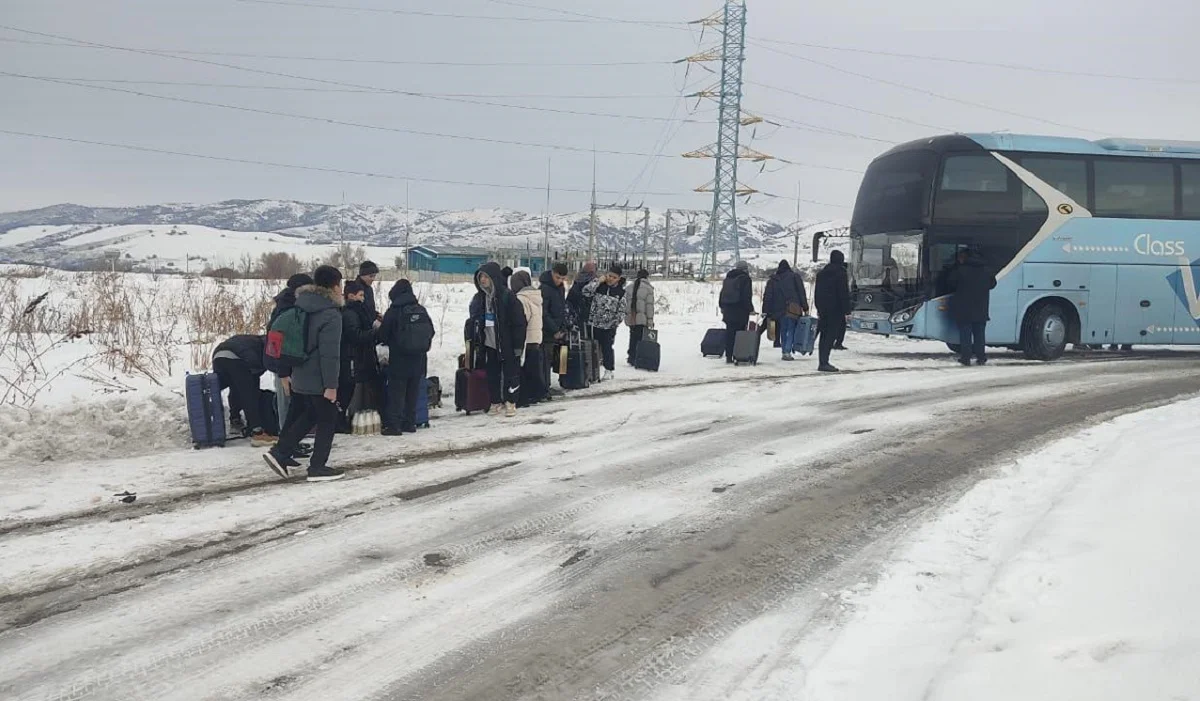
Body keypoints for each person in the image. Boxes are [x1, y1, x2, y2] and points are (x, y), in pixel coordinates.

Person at [264, 265, 346, 482]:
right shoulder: (331, 314)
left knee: (309, 415)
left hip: (299, 372)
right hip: (319, 377)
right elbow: (330, 354)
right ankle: (317, 467)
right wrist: (331, 385)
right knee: (328, 418)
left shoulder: (302, 305)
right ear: (336, 285)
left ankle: (280, 452)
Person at [469, 262, 527, 418]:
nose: (482, 280)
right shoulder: (480, 298)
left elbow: (519, 323)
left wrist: (518, 346)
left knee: (511, 374)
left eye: (485, 277)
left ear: (493, 278)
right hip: (489, 343)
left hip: (506, 343)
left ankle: (511, 402)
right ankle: (495, 402)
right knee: (492, 374)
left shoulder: (507, 297)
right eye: (480, 277)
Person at [379, 279, 435, 434]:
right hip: (419, 359)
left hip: (399, 358)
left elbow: (383, 334)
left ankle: (394, 426)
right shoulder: (420, 309)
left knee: (397, 392)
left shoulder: (394, 311)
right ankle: (410, 424)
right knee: (412, 392)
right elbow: (431, 331)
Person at [267, 273, 313, 426]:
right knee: (285, 399)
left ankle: (289, 435)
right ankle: (285, 437)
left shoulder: (288, 304)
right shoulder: (287, 309)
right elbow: (277, 340)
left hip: (286, 359)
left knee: (287, 398)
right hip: (282, 361)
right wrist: (283, 370)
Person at [212, 334, 275, 446]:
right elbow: (255, 376)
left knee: (235, 386)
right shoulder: (267, 346)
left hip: (218, 356)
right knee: (249, 394)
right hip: (236, 359)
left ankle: (235, 419)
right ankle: (258, 433)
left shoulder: (253, 340)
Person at [337, 280, 382, 431]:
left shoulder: (359, 311)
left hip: (360, 356)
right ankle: (339, 421)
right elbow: (355, 335)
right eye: (361, 295)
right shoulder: (350, 313)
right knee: (346, 391)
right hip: (352, 357)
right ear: (351, 296)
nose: (363, 298)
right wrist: (375, 332)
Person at [946, 249, 997, 366]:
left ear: (964, 258)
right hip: (981, 308)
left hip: (964, 308)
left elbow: (951, 283)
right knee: (979, 334)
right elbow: (992, 284)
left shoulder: (960, 270)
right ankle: (981, 357)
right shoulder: (986, 270)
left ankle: (966, 358)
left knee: (966, 335)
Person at [583, 264, 627, 380]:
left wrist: (615, 322)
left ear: (618, 278)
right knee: (593, 347)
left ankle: (609, 370)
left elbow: (622, 310)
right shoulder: (599, 286)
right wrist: (598, 281)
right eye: (609, 276)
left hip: (609, 326)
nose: (611, 279)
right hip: (594, 323)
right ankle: (592, 369)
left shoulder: (621, 292)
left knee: (607, 347)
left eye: (614, 277)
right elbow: (586, 292)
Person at [511, 270, 545, 407]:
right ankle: (537, 394)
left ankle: (525, 397)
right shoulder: (535, 296)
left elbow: (522, 320)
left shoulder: (521, 299)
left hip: (527, 339)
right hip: (536, 338)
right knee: (534, 369)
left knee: (524, 370)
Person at [814, 250, 851, 373]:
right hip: (836, 310)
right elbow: (843, 293)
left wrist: (819, 307)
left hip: (823, 310)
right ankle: (824, 362)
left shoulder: (821, 274)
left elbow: (817, 293)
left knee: (823, 335)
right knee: (830, 336)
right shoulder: (841, 273)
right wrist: (847, 310)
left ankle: (822, 360)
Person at [539, 263, 569, 399]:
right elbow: (543, 313)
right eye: (557, 278)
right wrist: (554, 329)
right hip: (547, 331)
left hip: (557, 329)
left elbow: (561, 308)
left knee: (551, 359)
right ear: (552, 273)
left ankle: (547, 385)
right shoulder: (544, 288)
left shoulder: (561, 288)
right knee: (545, 359)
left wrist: (563, 326)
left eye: (562, 279)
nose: (560, 281)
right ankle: (544, 388)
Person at [770, 260, 809, 361]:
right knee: (791, 329)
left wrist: (768, 310)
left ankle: (784, 350)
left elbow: (769, 296)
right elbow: (801, 293)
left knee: (783, 330)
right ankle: (787, 351)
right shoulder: (795, 277)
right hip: (793, 308)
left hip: (779, 309)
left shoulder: (774, 279)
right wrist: (805, 307)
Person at [718, 261, 755, 364]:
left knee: (730, 333)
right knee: (740, 334)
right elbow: (746, 296)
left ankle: (728, 356)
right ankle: (739, 354)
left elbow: (722, 294)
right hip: (740, 311)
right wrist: (750, 308)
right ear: (745, 269)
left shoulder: (728, 278)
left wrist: (722, 306)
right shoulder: (745, 279)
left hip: (728, 311)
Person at [625, 269, 655, 366]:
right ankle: (640, 358)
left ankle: (631, 357)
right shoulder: (648, 288)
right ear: (647, 277)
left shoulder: (629, 287)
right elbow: (649, 306)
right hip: (642, 319)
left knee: (632, 337)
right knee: (641, 339)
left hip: (632, 318)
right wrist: (650, 321)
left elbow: (625, 304)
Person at [567, 261, 597, 330]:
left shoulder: (577, 281)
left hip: (579, 317)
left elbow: (569, 302)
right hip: (585, 317)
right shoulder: (594, 283)